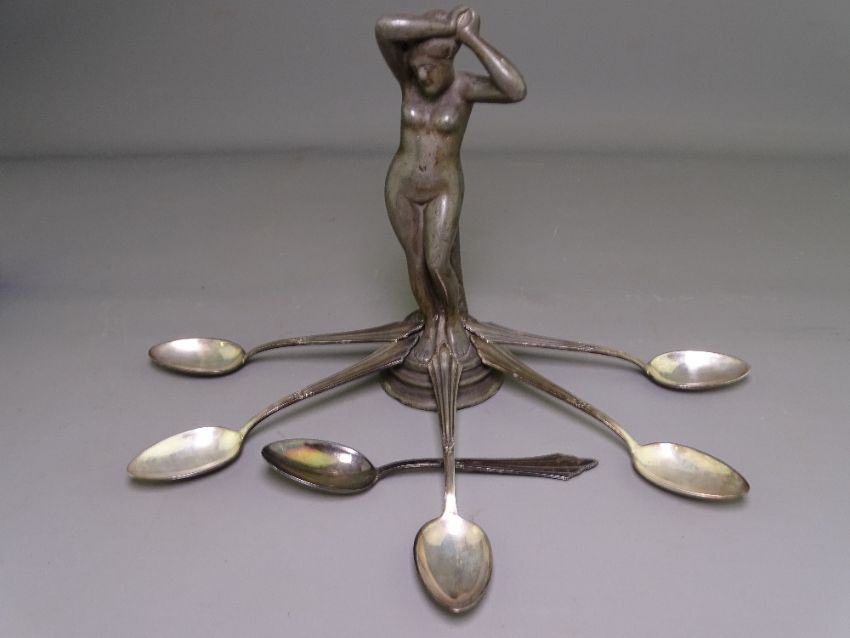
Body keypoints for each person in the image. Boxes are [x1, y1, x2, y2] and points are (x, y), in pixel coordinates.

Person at [376, 6, 526, 360]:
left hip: (443, 185)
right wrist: (445, 24)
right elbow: (385, 27)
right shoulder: (408, 81)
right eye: (417, 67)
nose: (422, 74)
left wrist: (470, 39)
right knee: (416, 265)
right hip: (402, 185)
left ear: (448, 62)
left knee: (437, 262)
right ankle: (432, 322)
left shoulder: (465, 88)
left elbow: (515, 89)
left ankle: (454, 320)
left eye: (430, 67)